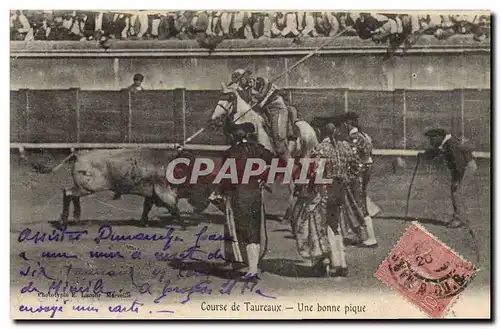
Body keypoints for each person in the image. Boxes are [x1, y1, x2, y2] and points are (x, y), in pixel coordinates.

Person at [291, 115, 351, 277]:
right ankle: (342, 262)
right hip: (340, 190)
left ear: (319, 131)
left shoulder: (319, 149)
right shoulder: (344, 146)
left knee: (322, 227)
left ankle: (333, 262)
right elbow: (355, 167)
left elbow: (315, 173)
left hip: (325, 190)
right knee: (336, 225)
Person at [220, 122, 274, 279]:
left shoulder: (230, 153)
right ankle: (253, 267)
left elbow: (226, 179)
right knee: (254, 230)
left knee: (243, 230)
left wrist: (221, 193)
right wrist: (265, 178)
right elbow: (275, 160)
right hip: (255, 193)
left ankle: (250, 269)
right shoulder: (258, 149)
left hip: (239, 194)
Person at [420, 128, 477, 228]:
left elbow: (459, 163)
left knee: (457, 192)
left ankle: (459, 219)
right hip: (463, 167)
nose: (430, 141)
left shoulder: (451, 144)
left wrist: (457, 179)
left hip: (465, 168)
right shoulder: (447, 142)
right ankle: (462, 217)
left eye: (431, 139)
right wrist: (423, 155)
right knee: (455, 191)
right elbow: (437, 152)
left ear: (438, 137)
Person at [344, 111, 378, 247]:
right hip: (366, 169)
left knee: (359, 204)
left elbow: (352, 157)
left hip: (358, 171)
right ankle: (362, 236)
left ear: (347, 123)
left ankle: (370, 238)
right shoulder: (364, 135)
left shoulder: (354, 137)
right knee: (360, 202)